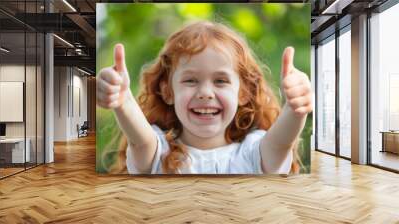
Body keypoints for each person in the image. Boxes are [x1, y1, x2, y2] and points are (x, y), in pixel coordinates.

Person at [97, 21, 312, 174]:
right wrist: (123, 101)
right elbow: (140, 141)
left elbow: (280, 144)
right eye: (190, 80)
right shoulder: (159, 151)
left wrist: (295, 109)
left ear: (243, 93)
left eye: (220, 81)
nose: (205, 93)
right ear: (168, 92)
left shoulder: (252, 152)